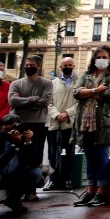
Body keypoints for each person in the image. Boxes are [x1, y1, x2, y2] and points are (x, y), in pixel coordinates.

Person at [72, 45, 110, 207]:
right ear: (93, 59)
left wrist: (87, 92)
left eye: (104, 57)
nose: (101, 60)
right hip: (85, 122)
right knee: (90, 158)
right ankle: (89, 190)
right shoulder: (86, 74)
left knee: (101, 157)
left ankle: (101, 191)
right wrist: (96, 90)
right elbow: (76, 93)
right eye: (98, 57)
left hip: (104, 122)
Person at [8, 55, 51, 201]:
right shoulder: (16, 83)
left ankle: (31, 191)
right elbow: (12, 101)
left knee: (34, 157)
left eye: (31, 65)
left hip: (38, 124)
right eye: (26, 65)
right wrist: (33, 99)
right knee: (16, 156)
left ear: (38, 66)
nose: (28, 67)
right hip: (19, 123)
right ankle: (13, 191)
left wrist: (23, 101)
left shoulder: (46, 83)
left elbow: (45, 102)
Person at [44, 56, 78, 191]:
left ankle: (67, 179)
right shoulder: (52, 83)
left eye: (70, 65)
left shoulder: (78, 83)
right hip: (54, 123)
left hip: (70, 123)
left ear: (74, 66)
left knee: (70, 153)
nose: (67, 67)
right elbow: (48, 102)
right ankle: (52, 179)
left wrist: (67, 113)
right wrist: (56, 114)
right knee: (53, 153)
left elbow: (80, 103)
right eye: (65, 65)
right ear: (60, 67)